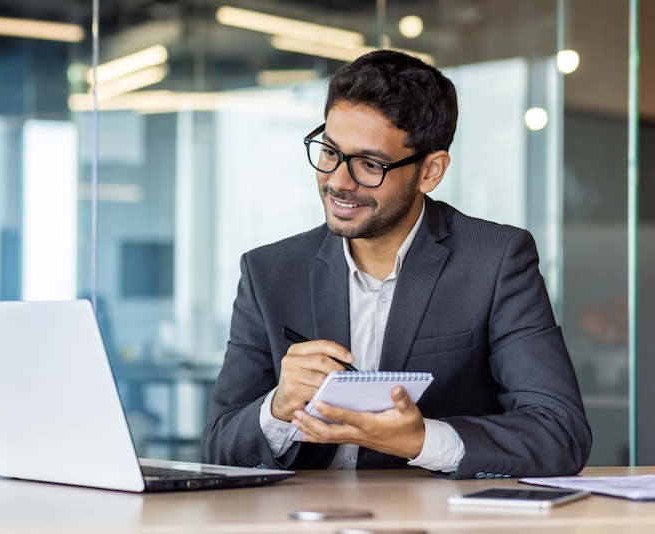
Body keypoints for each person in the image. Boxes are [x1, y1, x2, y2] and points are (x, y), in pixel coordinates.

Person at [200, 49, 592, 479]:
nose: (338, 182)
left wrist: (422, 440)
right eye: (330, 152)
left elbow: (560, 433)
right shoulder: (269, 272)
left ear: (431, 171)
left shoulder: (496, 259)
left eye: (370, 164)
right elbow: (219, 445)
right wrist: (277, 407)